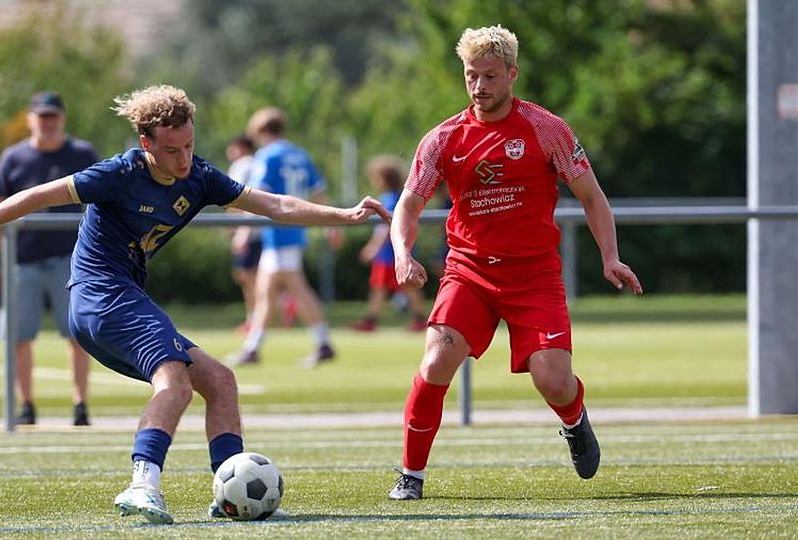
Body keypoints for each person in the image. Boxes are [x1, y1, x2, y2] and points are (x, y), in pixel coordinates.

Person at [0, 85, 389, 524]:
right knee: (173, 383)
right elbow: (33, 196)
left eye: (190, 145)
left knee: (219, 380)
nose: (184, 158)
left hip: (122, 297)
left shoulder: (200, 177)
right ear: (146, 143)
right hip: (100, 295)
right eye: (172, 150)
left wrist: (343, 215)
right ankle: (142, 485)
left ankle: (228, 492)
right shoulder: (118, 174)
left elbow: (274, 205)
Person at [387, 25, 643, 501]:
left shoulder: (547, 129)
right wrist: (403, 254)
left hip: (534, 274)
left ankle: (574, 419)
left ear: (511, 75)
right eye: (470, 76)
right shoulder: (443, 138)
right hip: (469, 271)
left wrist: (610, 255)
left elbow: (591, 195)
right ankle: (410, 474)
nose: (479, 86)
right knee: (436, 359)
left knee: (553, 380)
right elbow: (408, 204)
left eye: (489, 76)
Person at [0, 91, 99, 427]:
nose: (47, 123)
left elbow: (102, 205)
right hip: (22, 259)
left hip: (72, 260)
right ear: (31, 119)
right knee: (19, 336)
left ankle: (80, 404)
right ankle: (26, 404)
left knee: (78, 333)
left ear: (62, 118)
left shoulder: (82, 154)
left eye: (53, 116)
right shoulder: (13, 158)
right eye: (41, 116)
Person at [226, 107, 337, 368]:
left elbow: (258, 197)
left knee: (295, 288)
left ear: (262, 131)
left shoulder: (267, 156)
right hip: (294, 228)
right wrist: (331, 224)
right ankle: (253, 347)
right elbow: (319, 190)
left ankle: (322, 343)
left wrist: (243, 231)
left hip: (278, 230)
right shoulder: (299, 154)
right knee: (266, 291)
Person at [350, 155, 428, 333]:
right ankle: (374, 319)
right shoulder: (398, 196)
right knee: (384, 287)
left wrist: (373, 248)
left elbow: (385, 228)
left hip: (389, 254)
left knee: (396, 287)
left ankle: (418, 318)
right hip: (394, 252)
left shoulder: (389, 199)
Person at [224, 135, 261, 333]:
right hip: (263, 227)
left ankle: (256, 318)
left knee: (247, 275)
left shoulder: (241, 165)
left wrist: (232, 224)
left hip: (247, 228)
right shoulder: (258, 162)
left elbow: (234, 197)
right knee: (253, 275)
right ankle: (257, 316)